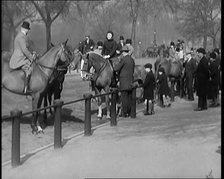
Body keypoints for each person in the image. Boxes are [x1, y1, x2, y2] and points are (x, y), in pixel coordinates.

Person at [9, 21, 36, 93]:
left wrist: (33, 52)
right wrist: (31, 57)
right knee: (29, 69)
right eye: (27, 29)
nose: (28, 31)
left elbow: (28, 47)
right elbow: (24, 50)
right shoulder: (21, 37)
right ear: (25, 29)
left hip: (23, 57)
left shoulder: (24, 37)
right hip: (19, 59)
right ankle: (26, 88)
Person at [114, 45, 135, 117]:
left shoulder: (123, 59)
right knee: (129, 97)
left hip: (124, 81)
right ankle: (129, 111)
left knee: (124, 97)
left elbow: (116, 68)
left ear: (123, 52)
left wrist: (114, 66)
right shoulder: (131, 60)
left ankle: (124, 112)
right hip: (130, 80)